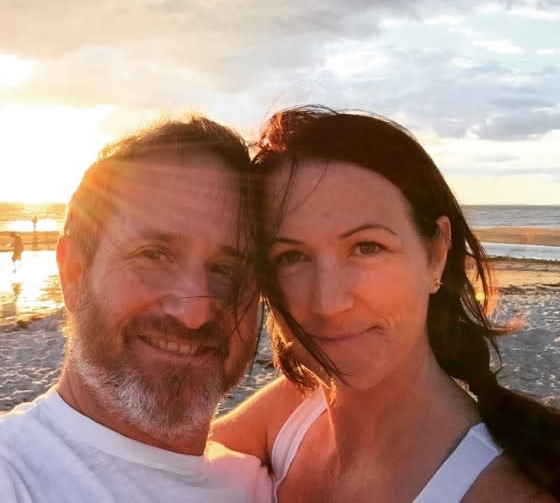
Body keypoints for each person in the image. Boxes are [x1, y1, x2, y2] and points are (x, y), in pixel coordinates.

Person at [213, 106, 560, 502]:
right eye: (291, 257)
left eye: (367, 247)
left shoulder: (500, 492)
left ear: (436, 254)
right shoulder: (294, 409)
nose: (328, 303)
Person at [0, 118, 272, 502]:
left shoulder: (260, 483)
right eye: (154, 255)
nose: (192, 313)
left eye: (228, 270)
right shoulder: (15, 474)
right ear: (74, 273)